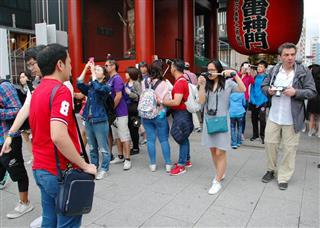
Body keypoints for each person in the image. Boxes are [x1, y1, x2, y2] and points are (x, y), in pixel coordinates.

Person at [29, 43, 97, 227]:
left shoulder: (37, 91)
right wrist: (84, 165)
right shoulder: (60, 91)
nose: (71, 66)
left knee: (49, 220)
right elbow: (58, 135)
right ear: (60, 64)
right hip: (58, 171)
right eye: (69, 62)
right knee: (68, 223)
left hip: (41, 169)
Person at [261, 42, 317, 190]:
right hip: (274, 116)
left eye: (292, 54)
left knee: (289, 148)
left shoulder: (303, 71)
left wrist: (296, 92)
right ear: (280, 57)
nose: (290, 57)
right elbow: (264, 86)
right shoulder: (274, 70)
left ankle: (284, 176)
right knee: (269, 144)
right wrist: (269, 91)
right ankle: (271, 170)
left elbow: (312, 91)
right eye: (286, 55)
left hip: (293, 118)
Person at [198, 60, 246, 194]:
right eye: (208, 69)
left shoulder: (228, 84)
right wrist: (201, 86)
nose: (210, 72)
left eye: (213, 69)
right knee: (213, 150)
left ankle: (217, 181)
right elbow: (201, 101)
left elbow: (243, 89)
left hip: (223, 122)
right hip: (209, 122)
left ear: (219, 70)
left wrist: (234, 75)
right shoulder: (207, 84)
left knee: (220, 152)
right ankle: (220, 172)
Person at [0, 79, 34, 219]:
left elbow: (19, 110)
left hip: (9, 138)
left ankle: (25, 203)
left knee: (18, 171)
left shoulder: (4, 86)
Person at [77, 62, 111, 180]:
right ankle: (94, 167)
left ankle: (104, 169)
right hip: (89, 120)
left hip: (100, 120)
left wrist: (92, 73)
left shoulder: (105, 87)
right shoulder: (92, 85)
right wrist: (86, 68)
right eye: (94, 69)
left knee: (103, 148)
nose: (95, 71)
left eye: (98, 70)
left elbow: (98, 88)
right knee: (91, 147)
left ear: (104, 75)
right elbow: (79, 84)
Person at [161, 59, 193, 176]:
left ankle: (181, 165)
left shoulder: (180, 82)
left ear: (174, 68)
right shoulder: (182, 80)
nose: (170, 68)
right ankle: (186, 160)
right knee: (184, 136)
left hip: (181, 114)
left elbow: (176, 102)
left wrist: (163, 101)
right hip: (183, 113)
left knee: (181, 137)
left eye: (171, 66)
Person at [141, 61, 172, 172]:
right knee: (163, 140)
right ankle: (168, 164)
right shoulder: (164, 84)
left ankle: (152, 164)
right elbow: (167, 101)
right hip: (159, 114)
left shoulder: (144, 82)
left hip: (146, 114)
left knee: (150, 140)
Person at [106, 59, 132, 170]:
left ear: (113, 66)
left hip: (120, 111)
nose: (105, 67)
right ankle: (120, 156)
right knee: (116, 135)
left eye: (107, 65)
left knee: (124, 135)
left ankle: (127, 159)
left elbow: (118, 96)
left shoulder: (117, 79)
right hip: (114, 113)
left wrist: (111, 108)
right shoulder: (111, 79)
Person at [16, 71, 34, 164]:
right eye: (20, 77)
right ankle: (32, 155)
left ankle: (36, 155)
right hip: (23, 116)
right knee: (25, 138)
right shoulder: (18, 90)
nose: (22, 79)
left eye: (23, 77)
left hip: (31, 115)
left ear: (28, 77)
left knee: (33, 137)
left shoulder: (32, 87)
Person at [249, 60, 269, 144]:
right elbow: (252, 90)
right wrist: (253, 100)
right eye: (258, 66)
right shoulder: (255, 77)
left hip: (262, 102)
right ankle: (255, 134)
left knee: (262, 119)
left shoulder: (267, 77)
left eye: (261, 67)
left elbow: (265, 91)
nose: (259, 68)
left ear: (265, 69)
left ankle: (263, 136)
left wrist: (260, 102)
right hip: (254, 102)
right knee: (253, 119)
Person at [124, 67, 142, 155]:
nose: (125, 74)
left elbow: (139, 96)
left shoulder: (136, 83)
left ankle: (136, 148)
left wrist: (129, 93)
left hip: (135, 110)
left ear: (131, 74)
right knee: (129, 129)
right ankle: (132, 146)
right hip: (127, 109)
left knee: (135, 129)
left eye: (127, 73)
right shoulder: (126, 83)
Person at [238, 62, 254, 138]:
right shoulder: (237, 75)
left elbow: (253, 82)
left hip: (245, 98)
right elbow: (233, 81)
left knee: (242, 117)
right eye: (244, 67)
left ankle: (241, 133)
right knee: (235, 116)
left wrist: (249, 74)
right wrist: (240, 74)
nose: (245, 68)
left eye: (247, 67)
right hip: (236, 98)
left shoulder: (248, 77)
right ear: (241, 67)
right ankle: (235, 132)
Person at [184, 62, 201, 133]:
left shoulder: (184, 75)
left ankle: (197, 126)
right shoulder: (193, 74)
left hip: (189, 93)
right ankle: (199, 120)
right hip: (195, 91)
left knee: (191, 109)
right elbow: (197, 84)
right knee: (196, 106)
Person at [306, 64, 320, 137]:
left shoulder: (311, 80)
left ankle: (310, 131)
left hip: (312, 98)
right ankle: (319, 133)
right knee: (319, 117)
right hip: (319, 99)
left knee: (311, 116)